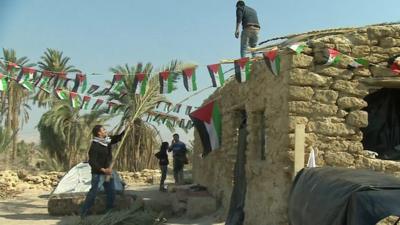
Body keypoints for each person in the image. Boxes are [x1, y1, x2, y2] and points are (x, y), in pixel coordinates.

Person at [80, 125, 125, 218]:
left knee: (111, 192)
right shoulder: (95, 145)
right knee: (93, 192)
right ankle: (84, 212)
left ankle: (109, 210)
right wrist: (103, 170)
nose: (105, 131)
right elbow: (92, 161)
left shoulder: (107, 141)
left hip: (108, 173)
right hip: (98, 173)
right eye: (103, 130)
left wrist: (127, 128)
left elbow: (118, 138)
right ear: (99, 133)